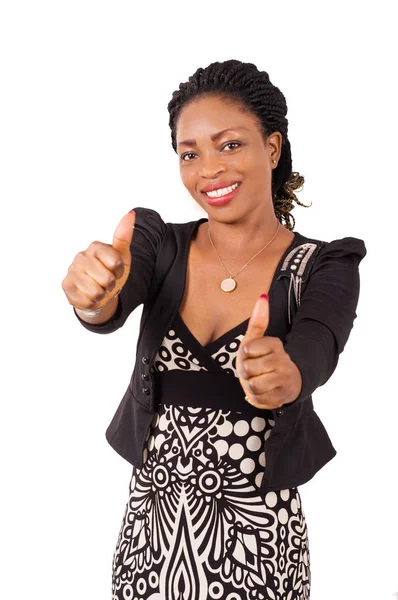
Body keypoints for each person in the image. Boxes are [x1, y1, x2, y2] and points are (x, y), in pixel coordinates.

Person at [62, 59, 367, 600]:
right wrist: (93, 299)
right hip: (150, 540)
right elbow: (113, 300)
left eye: (229, 145)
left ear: (272, 149)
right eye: (189, 153)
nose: (208, 170)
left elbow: (319, 343)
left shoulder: (322, 266)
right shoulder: (161, 246)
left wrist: (287, 374)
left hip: (259, 546)